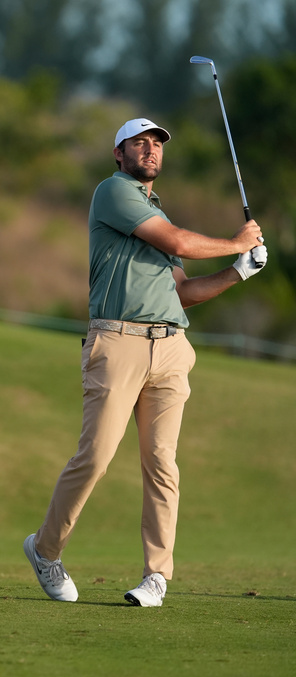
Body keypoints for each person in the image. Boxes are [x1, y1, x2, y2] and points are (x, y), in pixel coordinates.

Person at [24, 118, 268, 608]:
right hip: (118, 342)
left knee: (162, 463)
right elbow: (178, 242)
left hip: (171, 346)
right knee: (94, 457)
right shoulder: (114, 194)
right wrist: (238, 241)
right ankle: (45, 550)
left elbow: (183, 291)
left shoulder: (155, 211)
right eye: (140, 142)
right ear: (119, 153)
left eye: (157, 143)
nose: (151, 150)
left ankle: (156, 576)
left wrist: (238, 271)